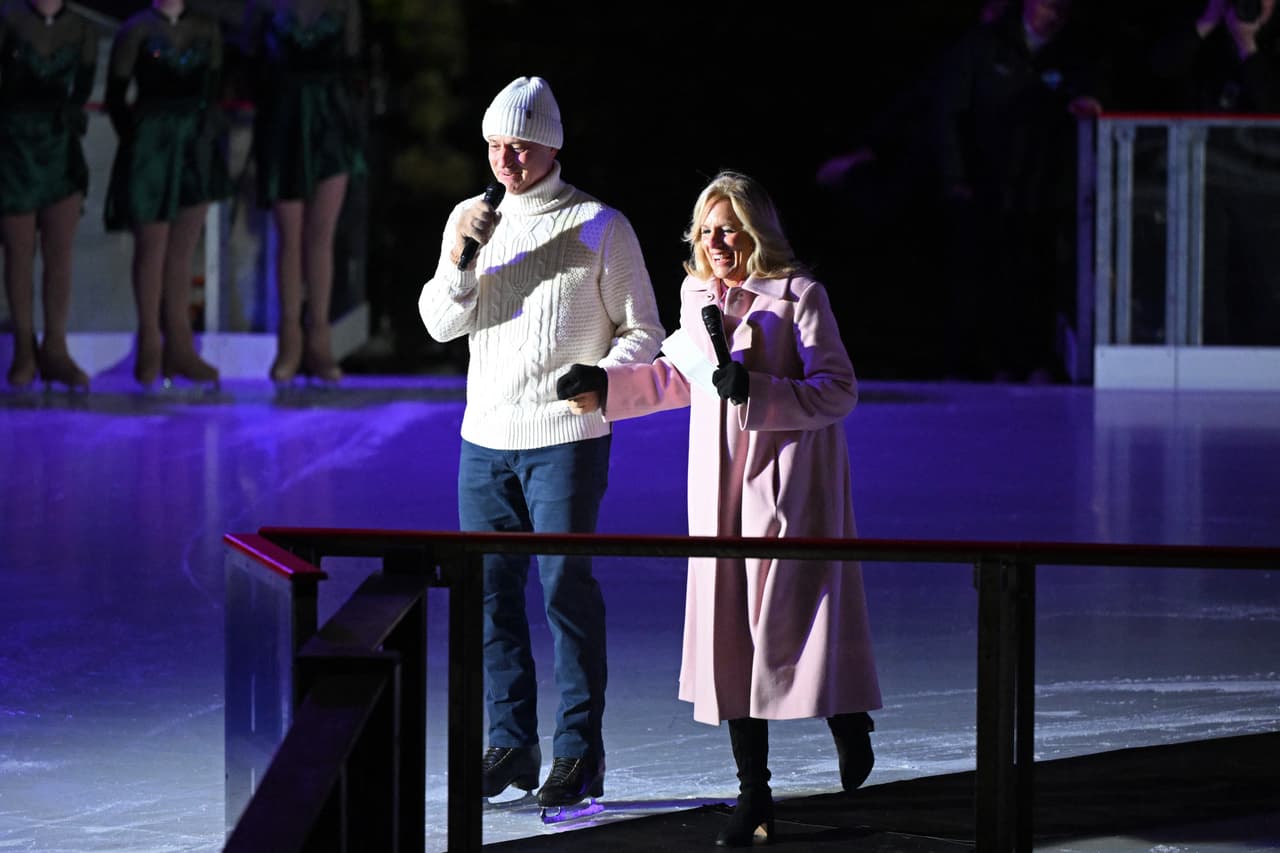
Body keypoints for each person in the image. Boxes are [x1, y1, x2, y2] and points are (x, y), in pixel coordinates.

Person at [557, 171, 882, 847]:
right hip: (717, 490)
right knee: (730, 636)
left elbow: (838, 390)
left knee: (795, 619)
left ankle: (846, 714)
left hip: (788, 484)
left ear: (755, 232)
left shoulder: (799, 295)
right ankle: (753, 793)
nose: (717, 242)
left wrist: (758, 389)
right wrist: (605, 386)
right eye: (706, 232)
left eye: (729, 229)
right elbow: (678, 378)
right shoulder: (696, 296)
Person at [417, 75, 664, 811]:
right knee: (490, 597)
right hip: (484, 437)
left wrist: (604, 377)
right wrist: (460, 258)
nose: (506, 159)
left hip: (564, 437)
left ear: (551, 146)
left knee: (564, 590)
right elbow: (439, 323)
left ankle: (579, 750)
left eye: (520, 145)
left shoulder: (601, 224)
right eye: (495, 144)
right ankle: (510, 741)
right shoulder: (472, 218)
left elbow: (644, 329)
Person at [932, 0, 1103, 382]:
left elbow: (1086, 101)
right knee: (981, 280)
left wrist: (1085, 105)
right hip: (984, 188)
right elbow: (950, 114)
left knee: (1036, 279)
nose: (1054, 14)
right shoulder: (985, 44)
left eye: (1062, 8)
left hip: (1044, 194)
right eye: (1048, 5)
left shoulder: (1075, 53)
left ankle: (1032, 361)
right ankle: (983, 367)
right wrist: (955, 177)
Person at [103, 0, 231, 389]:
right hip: (151, 147)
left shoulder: (207, 29)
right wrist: (140, 140)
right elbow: (115, 98)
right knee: (151, 249)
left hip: (194, 145)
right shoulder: (136, 30)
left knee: (182, 253)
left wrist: (203, 135)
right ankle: (149, 344)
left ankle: (180, 346)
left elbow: (214, 90)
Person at [1140, 0, 1280, 345]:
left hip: (1264, 189)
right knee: (1204, 282)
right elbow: (1156, 73)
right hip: (1198, 182)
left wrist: (1248, 45)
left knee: (1261, 286)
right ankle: (1205, 352)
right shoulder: (1204, 39)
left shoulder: (1275, 44)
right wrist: (1205, 24)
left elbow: (1271, 105)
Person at [241, 0, 366, 385]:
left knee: (321, 237)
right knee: (289, 239)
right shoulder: (264, 6)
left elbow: (354, 66)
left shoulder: (344, 6)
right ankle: (289, 342)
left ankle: (320, 341)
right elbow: (249, 66)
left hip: (331, 123)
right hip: (283, 123)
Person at [0, 0, 97, 391]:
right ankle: (24, 349)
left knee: (60, 253)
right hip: (13, 147)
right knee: (18, 253)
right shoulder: (9, 19)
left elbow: (83, 89)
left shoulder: (83, 29)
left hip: (60, 147)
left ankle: (56, 349)